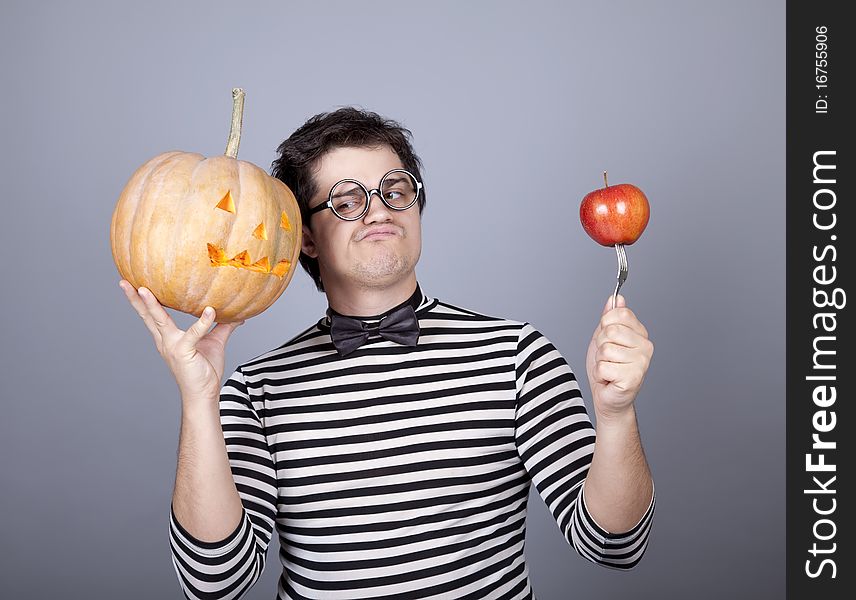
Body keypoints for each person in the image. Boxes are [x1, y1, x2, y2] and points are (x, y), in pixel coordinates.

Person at [119, 107, 655, 600]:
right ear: (304, 237)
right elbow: (215, 582)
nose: (378, 211)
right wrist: (198, 400)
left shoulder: (518, 355)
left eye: (394, 190)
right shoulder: (255, 392)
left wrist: (615, 415)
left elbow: (614, 545)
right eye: (347, 201)